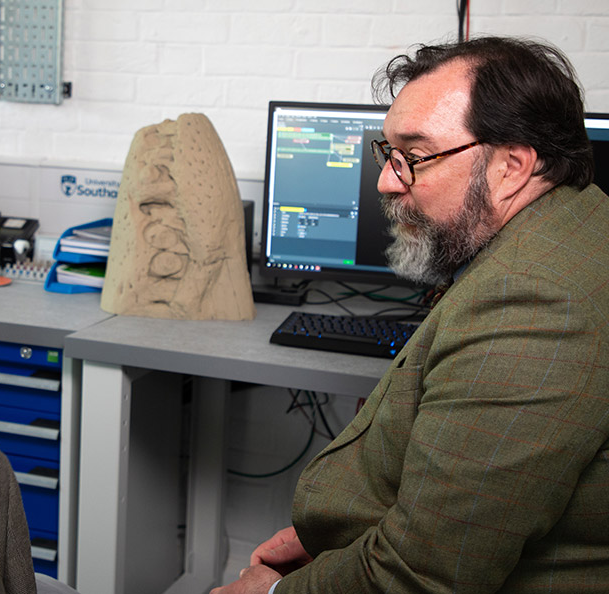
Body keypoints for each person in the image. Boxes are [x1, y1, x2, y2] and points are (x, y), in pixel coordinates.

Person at [214, 36, 609, 593]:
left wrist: (271, 592)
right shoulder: (572, 227)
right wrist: (343, 529)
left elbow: (420, 578)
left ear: (512, 166)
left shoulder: (536, 301)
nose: (385, 181)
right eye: (388, 155)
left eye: (415, 159)